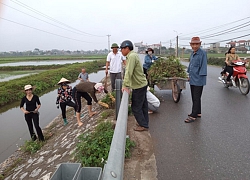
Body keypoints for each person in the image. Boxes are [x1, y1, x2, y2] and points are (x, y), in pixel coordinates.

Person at [120, 40, 149, 131]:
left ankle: (143, 125)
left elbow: (129, 72)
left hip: (138, 86)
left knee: (135, 107)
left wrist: (125, 85)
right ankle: (144, 122)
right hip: (142, 83)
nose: (121, 51)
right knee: (143, 105)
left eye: (122, 49)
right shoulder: (133, 55)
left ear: (127, 48)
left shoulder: (132, 56)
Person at [185, 37, 207, 123]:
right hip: (192, 78)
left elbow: (203, 66)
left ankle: (193, 115)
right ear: (190, 45)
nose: (195, 46)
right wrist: (188, 74)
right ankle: (198, 112)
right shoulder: (192, 53)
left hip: (199, 79)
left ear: (200, 44)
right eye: (193, 44)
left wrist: (200, 77)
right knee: (195, 96)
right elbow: (191, 65)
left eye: (197, 44)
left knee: (196, 97)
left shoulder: (202, 53)